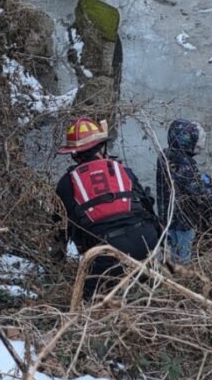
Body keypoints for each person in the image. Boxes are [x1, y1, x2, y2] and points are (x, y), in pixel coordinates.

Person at [54, 118, 161, 300]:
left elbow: (59, 228)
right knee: (146, 293)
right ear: (102, 147)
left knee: (91, 302)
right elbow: (147, 206)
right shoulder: (123, 170)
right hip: (147, 240)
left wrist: (57, 263)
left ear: (73, 154)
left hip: (105, 251)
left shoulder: (66, 183)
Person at [155, 120, 212, 263]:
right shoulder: (186, 166)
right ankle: (182, 274)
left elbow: (180, 183)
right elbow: (201, 195)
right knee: (184, 257)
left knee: (172, 251)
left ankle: (170, 269)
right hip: (184, 221)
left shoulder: (164, 156)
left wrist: (201, 180)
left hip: (167, 217)